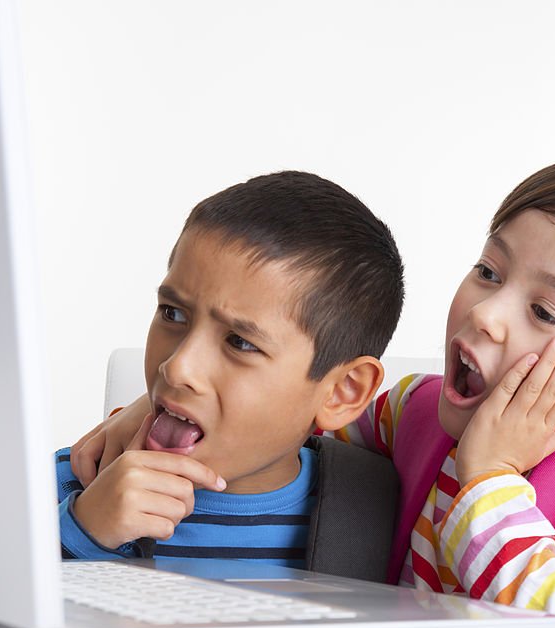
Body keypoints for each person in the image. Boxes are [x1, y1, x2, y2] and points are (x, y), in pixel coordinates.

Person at [70, 156, 555, 614]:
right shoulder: (416, 410)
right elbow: (292, 407)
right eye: (489, 272)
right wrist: (165, 399)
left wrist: (489, 479)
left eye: (545, 313)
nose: (487, 313)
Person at [57, 170, 404, 574]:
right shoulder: (70, 485)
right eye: (173, 314)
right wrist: (82, 532)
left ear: (342, 391)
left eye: (239, 342)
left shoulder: (386, 516)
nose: (178, 366)